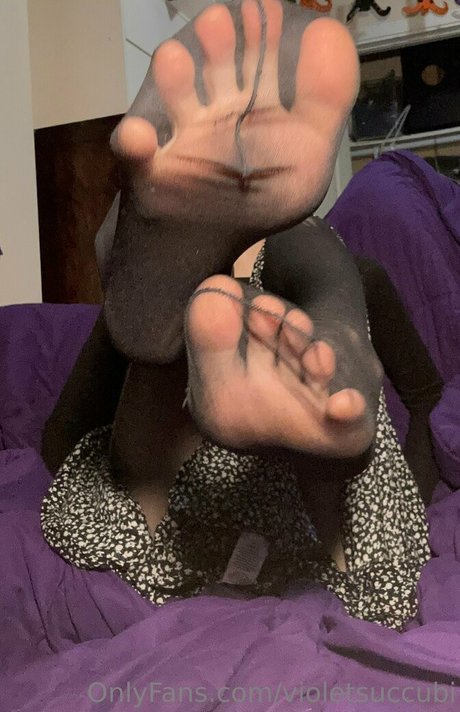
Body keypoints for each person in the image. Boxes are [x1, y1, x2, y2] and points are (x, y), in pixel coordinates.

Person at [41, 0, 441, 630]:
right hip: (293, 533)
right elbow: (426, 398)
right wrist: (409, 489)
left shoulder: (325, 264)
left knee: (293, 288)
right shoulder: (337, 266)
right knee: (285, 294)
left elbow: (61, 435)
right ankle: (332, 381)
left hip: (175, 536)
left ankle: (324, 383)